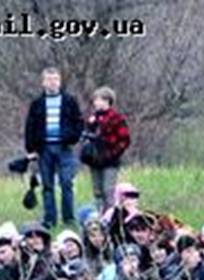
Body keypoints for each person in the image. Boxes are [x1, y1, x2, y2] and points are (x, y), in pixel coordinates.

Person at [23, 67, 83, 229]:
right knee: (47, 185)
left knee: (66, 183)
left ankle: (69, 218)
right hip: (44, 148)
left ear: (60, 81)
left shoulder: (69, 100)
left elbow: (78, 123)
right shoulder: (37, 104)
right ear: (43, 83)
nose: (53, 83)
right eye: (49, 79)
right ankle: (50, 219)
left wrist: (71, 137)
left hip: (64, 147)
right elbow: (30, 126)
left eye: (55, 79)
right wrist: (31, 149)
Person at [80, 87, 130, 211]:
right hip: (94, 160)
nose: (95, 103)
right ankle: (99, 218)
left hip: (110, 161)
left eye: (98, 100)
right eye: (95, 100)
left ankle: (111, 218)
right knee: (97, 191)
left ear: (107, 101)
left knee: (108, 191)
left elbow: (125, 140)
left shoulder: (117, 118)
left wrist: (113, 154)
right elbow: (86, 135)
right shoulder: (92, 119)